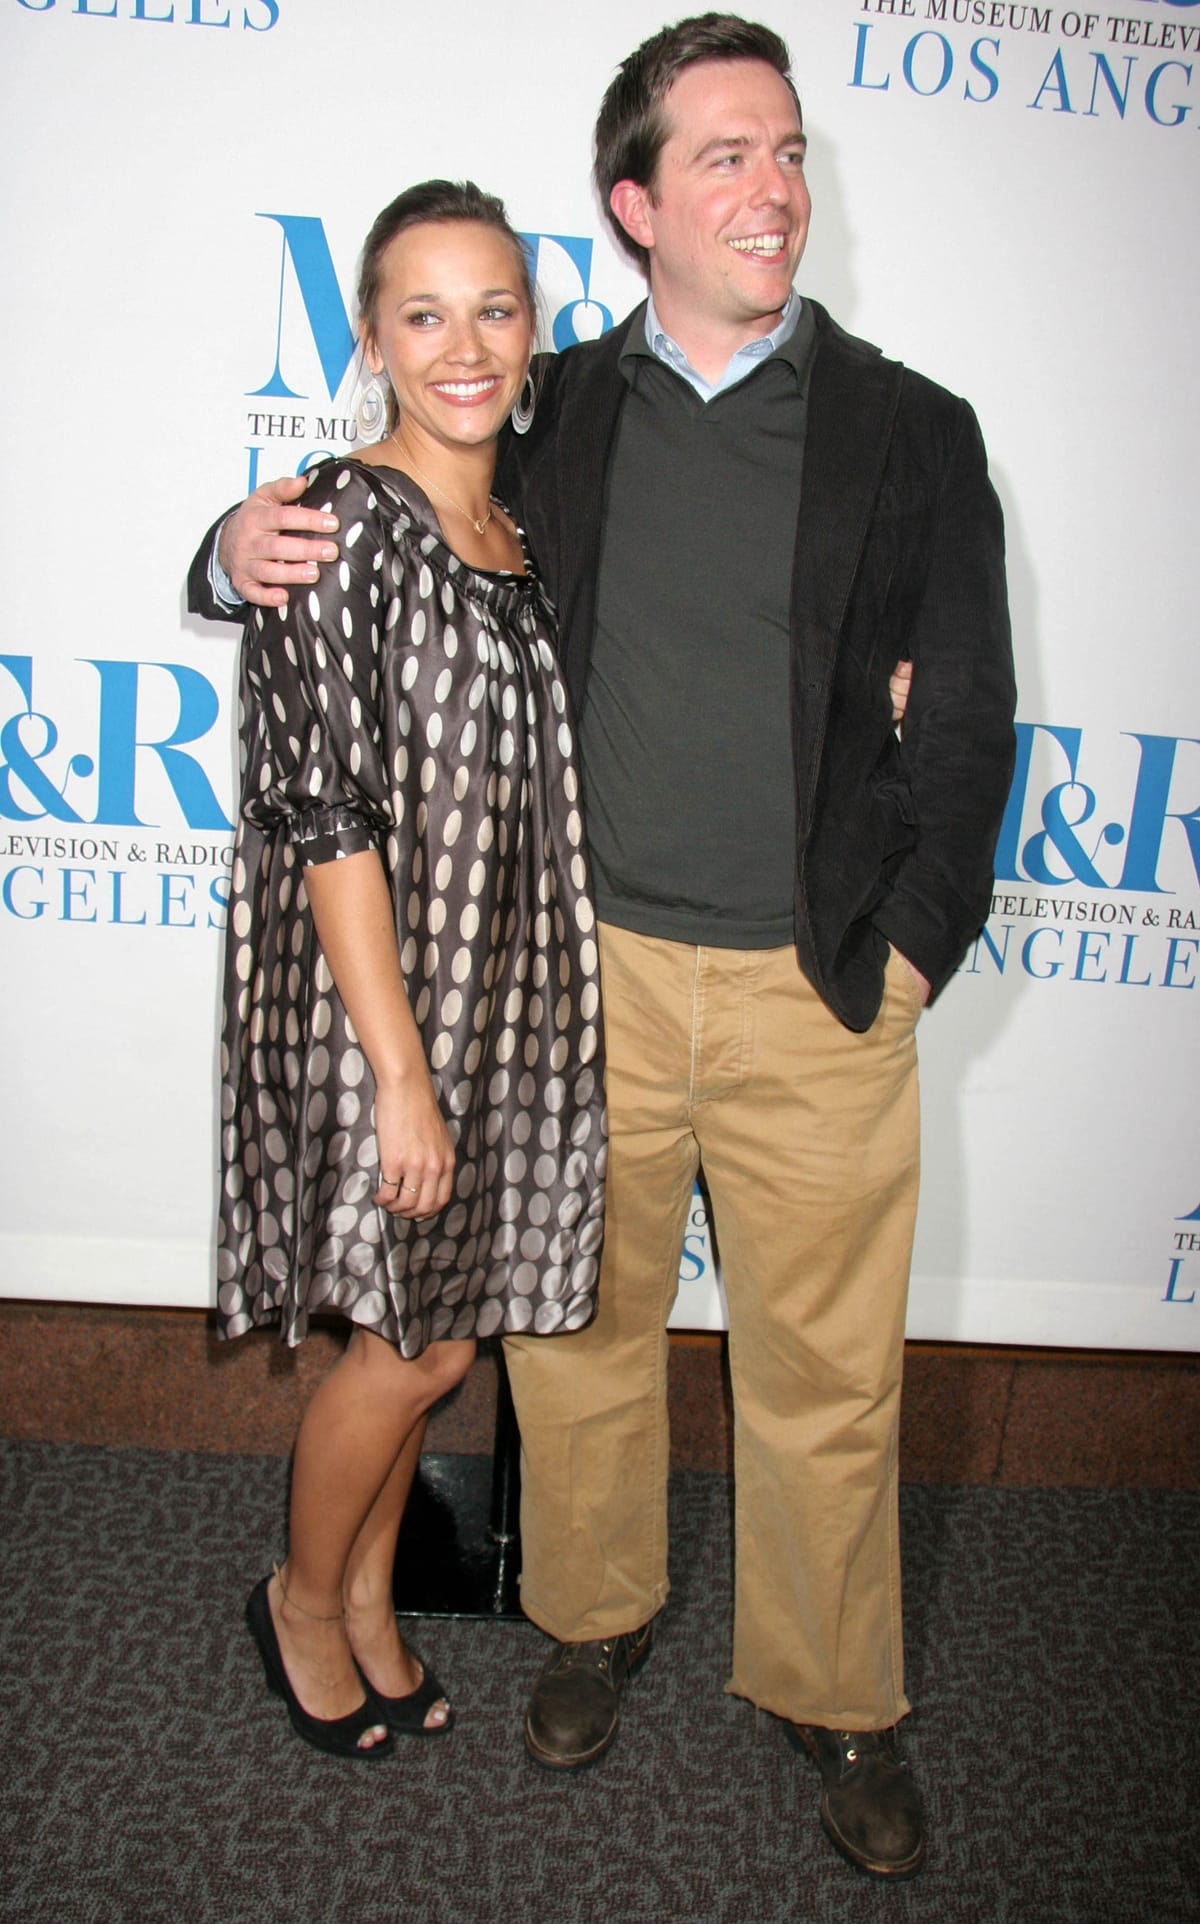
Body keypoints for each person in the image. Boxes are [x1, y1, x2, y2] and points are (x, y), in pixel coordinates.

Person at [190, 14, 1015, 1877]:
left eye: (787, 149)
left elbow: (966, 715)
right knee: (572, 1341)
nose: (773, 187)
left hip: (817, 984)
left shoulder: (913, 429)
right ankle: (593, 1617)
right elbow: (389, 500)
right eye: (723, 156)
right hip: (583, 982)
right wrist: (225, 543)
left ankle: (834, 1691)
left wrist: (906, 957)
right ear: (635, 205)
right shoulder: (556, 406)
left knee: (826, 1367)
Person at [203, 180, 606, 1761]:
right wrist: (402, 1075)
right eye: (423, 312)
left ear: (531, 330)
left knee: (438, 1333)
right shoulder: (333, 519)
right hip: (389, 1012)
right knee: (410, 1342)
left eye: (494, 309)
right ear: (372, 335)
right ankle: (302, 1599)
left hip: (503, 997)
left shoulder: (521, 525)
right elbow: (327, 813)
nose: (463, 345)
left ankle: (370, 1604)